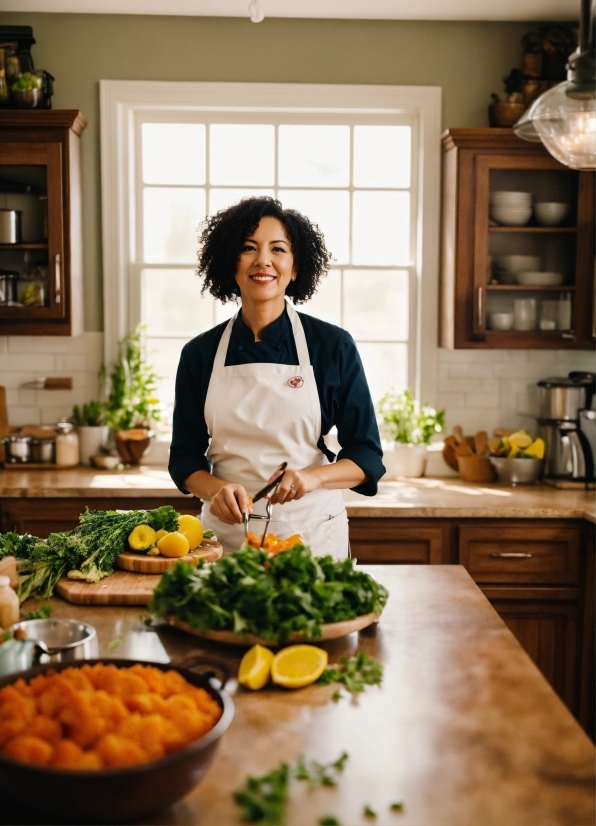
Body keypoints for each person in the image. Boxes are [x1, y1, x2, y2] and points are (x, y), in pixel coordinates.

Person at [169, 196, 384, 559]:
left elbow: (366, 456)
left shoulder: (333, 346)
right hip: (226, 540)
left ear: (295, 267)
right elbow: (185, 458)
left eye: (278, 249)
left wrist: (313, 478)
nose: (262, 261)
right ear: (230, 264)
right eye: (248, 248)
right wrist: (215, 490)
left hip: (312, 536)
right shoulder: (200, 354)